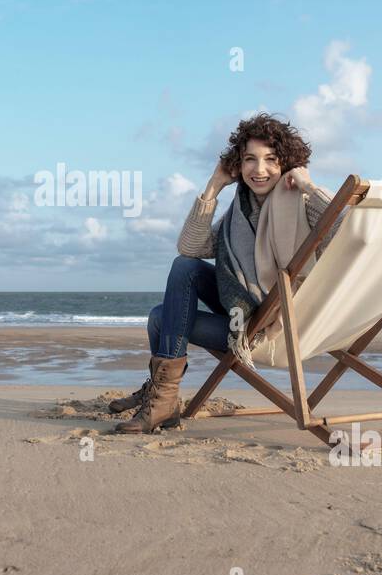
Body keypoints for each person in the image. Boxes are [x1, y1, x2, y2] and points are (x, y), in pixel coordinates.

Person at [112, 112, 342, 433]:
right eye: (250, 159)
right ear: (239, 164)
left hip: (270, 329)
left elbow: (344, 230)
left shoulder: (301, 200)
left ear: (287, 163)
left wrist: (308, 186)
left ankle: (161, 398)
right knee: (183, 270)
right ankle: (162, 398)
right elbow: (191, 248)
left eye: (271, 159)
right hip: (244, 314)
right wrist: (214, 185)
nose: (259, 169)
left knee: (161, 318)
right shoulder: (240, 211)